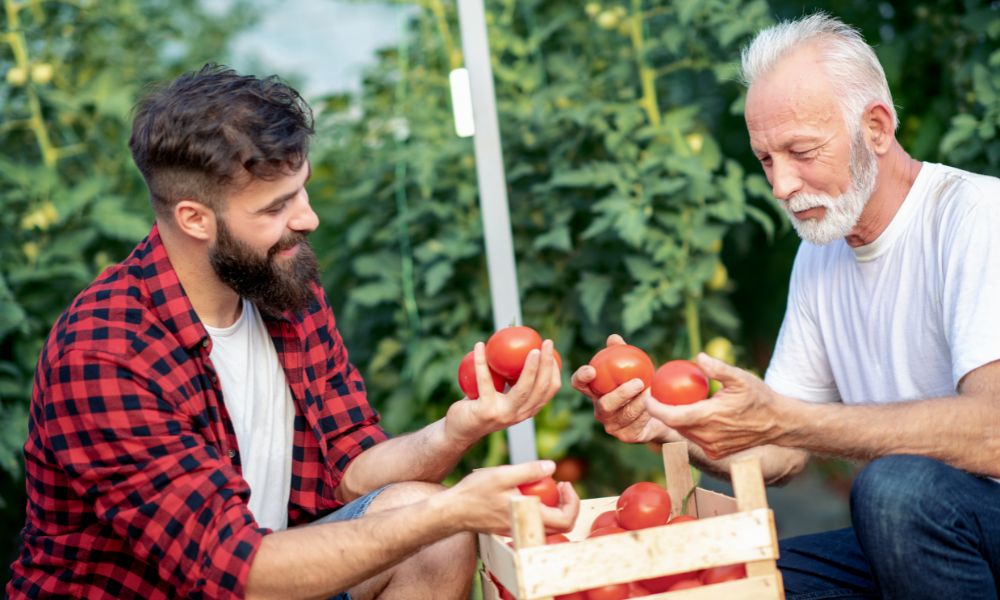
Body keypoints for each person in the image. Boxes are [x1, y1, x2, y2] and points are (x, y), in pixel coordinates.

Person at [8, 65, 577, 600]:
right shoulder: (106, 355)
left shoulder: (279, 282)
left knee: (429, 529)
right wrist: (451, 510)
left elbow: (351, 471)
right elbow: (236, 569)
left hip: (260, 573)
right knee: (432, 520)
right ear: (194, 218)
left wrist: (454, 433)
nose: (307, 218)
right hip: (203, 583)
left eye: (301, 190)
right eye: (277, 205)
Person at [573, 12, 1000, 600]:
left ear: (876, 128)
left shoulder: (976, 217)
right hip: (921, 533)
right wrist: (667, 425)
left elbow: (993, 431)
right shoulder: (822, 254)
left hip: (961, 515)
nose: (780, 186)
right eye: (766, 159)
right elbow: (781, 451)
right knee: (745, 581)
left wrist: (791, 419)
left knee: (893, 490)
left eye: (801, 151)